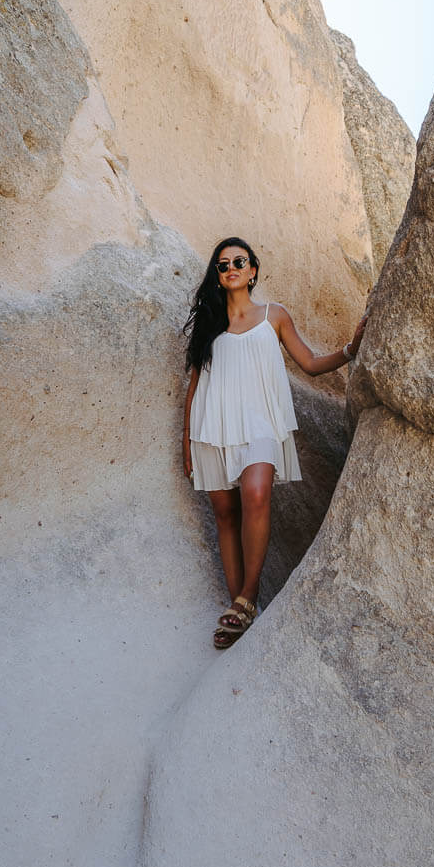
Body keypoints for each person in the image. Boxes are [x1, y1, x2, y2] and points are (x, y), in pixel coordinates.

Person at [182, 237, 367, 649]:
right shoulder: (210, 326)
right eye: (223, 264)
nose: (231, 268)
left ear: (252, 271)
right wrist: (186, 443)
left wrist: (351, 349)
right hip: (213, 428)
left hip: (261, 425)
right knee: (226, 516)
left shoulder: (274, 316)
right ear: (218, 274)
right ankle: (239, 609)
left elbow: (312, 365)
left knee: (256, 492)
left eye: (239, 262)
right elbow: (195, 388)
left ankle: (249, 595)